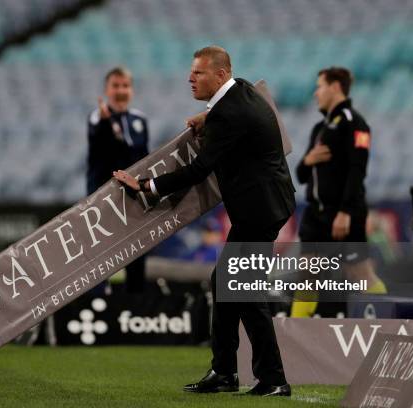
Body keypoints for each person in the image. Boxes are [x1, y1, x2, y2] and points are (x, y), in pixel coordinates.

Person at [114, 46, 295, 397]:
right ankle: (225, 372)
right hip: (266, 204)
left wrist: (146, 185)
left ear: (221, 75)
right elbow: (233, 112)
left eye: (198, 73)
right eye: (191, 72)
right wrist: (207, 116)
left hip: (260, 210)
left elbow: (199, 170)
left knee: (244, 290)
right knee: (225, 282)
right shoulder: (241, 90)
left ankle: (273, 378)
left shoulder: (229, 113)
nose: (189, 78)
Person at [291, 67, 386, 318]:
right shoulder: (318, 130)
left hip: (343, 214)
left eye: (319, 86)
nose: (315, 93)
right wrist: (308, 160)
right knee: (307, 275)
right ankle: (291, 337)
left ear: (335, 87)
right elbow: (301, 175)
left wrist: (345, 211)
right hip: (315, 215)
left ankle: (390, 319)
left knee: (359, 274)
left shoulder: (356, 124)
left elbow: (358, 170)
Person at [87, 67, 149, 293]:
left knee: (137, 255)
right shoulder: (97, 118)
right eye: (116, 86)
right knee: (101, 259)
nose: (121, 91)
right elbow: (105, 148)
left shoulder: (140, 119)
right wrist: (106, 124)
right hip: (104, 200)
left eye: (125, 86)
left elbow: (143, 158)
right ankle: (98, 306)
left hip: (133, 198)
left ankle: (137, 310)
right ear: (107, 90)